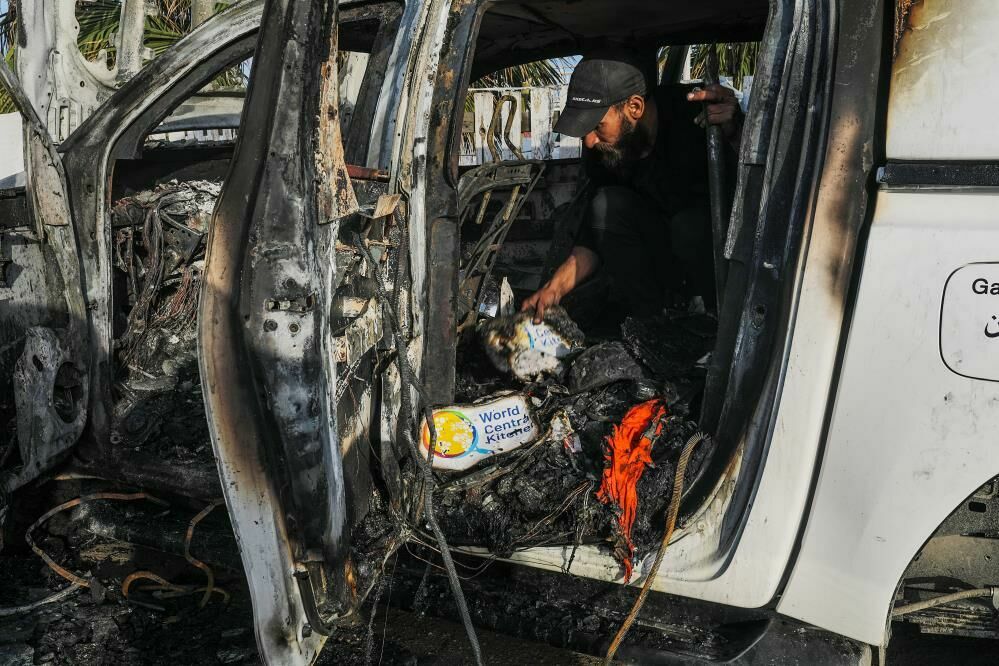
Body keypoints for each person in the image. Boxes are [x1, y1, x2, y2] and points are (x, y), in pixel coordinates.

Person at [521, 50, 741, 324]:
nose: (589, 141)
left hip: (720, 259)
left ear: (634, 107)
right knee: (604, 205)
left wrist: (734, 132)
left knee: (689, 226)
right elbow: (594, 236)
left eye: (598, 126)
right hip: (662, 257)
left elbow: (756, 194)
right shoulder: (604, 150)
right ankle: (653, 324)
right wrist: (553, 289)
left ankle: (718, 321)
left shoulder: (698, 116)